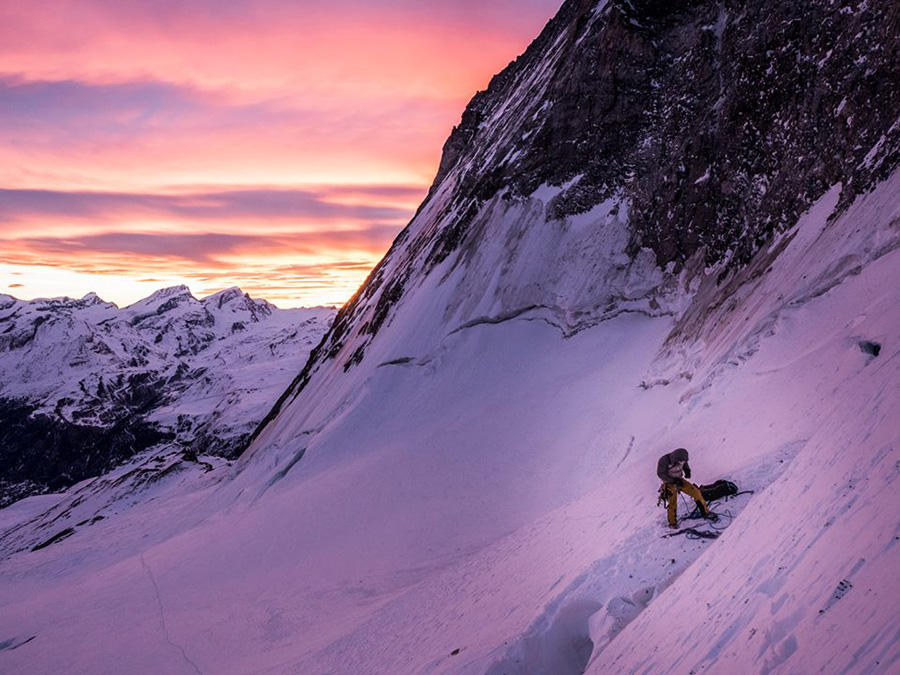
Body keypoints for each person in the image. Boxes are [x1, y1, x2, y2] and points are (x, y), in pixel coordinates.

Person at [657, 447, 716, 528]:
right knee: (672, 502)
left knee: (696, 493)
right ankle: (672, 523)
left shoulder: (682, 459)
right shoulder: (664, 461)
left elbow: (685, 464)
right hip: (669, 483)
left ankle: (705, 512)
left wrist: (687, 470)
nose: (681, 463)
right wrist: (673, 480)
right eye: (680, 461)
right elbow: (660, 474)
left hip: (680, 480)